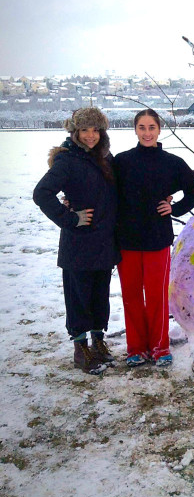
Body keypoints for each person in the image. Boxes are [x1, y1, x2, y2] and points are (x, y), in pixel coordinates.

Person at [114, 109, 194, 368]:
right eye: (142, 127)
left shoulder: (171, 162)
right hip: (126, 239)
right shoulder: (121, 161)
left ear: (159, 130)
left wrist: (174, 209)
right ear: (135, 130)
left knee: (156, 295)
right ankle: (136, 348)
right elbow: (104, 191)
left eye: (151, 127)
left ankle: (160, 347)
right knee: (131, 296)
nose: (147, 132)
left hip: (157, 239)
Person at [33, 107, 119, 374]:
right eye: (85, 130)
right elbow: (42, 193)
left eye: (95, 130)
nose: (91, 135)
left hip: (104, 242)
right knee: (79, 296)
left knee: (99, 296)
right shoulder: (67, 160)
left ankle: (98, 341)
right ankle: (81, 349)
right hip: (79, 244)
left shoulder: (105, 157)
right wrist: (70, 218)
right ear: (75, 132)